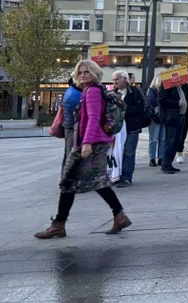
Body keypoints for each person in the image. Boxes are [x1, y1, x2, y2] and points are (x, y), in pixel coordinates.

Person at [35, 60, 131, 239]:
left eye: (87, 72)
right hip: (93, 142)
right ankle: (119, 216)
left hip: (92, 143)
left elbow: (93, 119)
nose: (83, 75)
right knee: (86, 182)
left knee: (72, 181)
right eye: (80, 72)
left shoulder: (93, 91)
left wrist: (86, 144)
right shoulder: (91, 89)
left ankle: (59, 225)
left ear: (94, 72)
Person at [112, 71, 145, 187]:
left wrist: (124, 110)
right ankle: (116, 175)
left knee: (129, 152)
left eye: (117, 79)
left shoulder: (135, 92)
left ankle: (126, 177)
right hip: (117, 129)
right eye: (113, 80)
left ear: (125, 79)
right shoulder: (112, 93)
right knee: (117, 152)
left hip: (132, 127)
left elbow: (141, 108)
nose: (114, 82)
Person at [157, 74, 183, 174]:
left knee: (177, 140)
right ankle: (165, 164)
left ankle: (169, 163)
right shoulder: (166, 84)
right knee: (170, 140)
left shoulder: (179, 86)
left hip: (180, 116)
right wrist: (177, 103)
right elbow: (162, 99)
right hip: (171, 116)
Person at [59, 79, 83, 169]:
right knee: (71, 153)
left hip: (69, 126)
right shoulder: (75, 94)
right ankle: (67, 177)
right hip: (72, 127)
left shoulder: (71, 91)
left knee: (68, 153)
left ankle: (65, 175)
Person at [146, 74, 164, 167]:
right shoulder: (152, 90)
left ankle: (161, 157)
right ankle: (152, 158)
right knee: (154, 138)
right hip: (155, 116)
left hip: (163, 116)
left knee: (162, 138)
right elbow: (152, 101)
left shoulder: (164, 90)